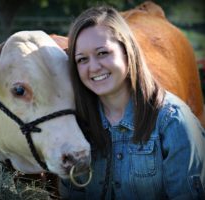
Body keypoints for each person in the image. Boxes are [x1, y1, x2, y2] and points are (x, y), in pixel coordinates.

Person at [59, 5, 205, 200]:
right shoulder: (76, 127)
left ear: (127, 52)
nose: (93, 67)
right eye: (82, 59)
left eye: (103, 53)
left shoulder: (173, 121)